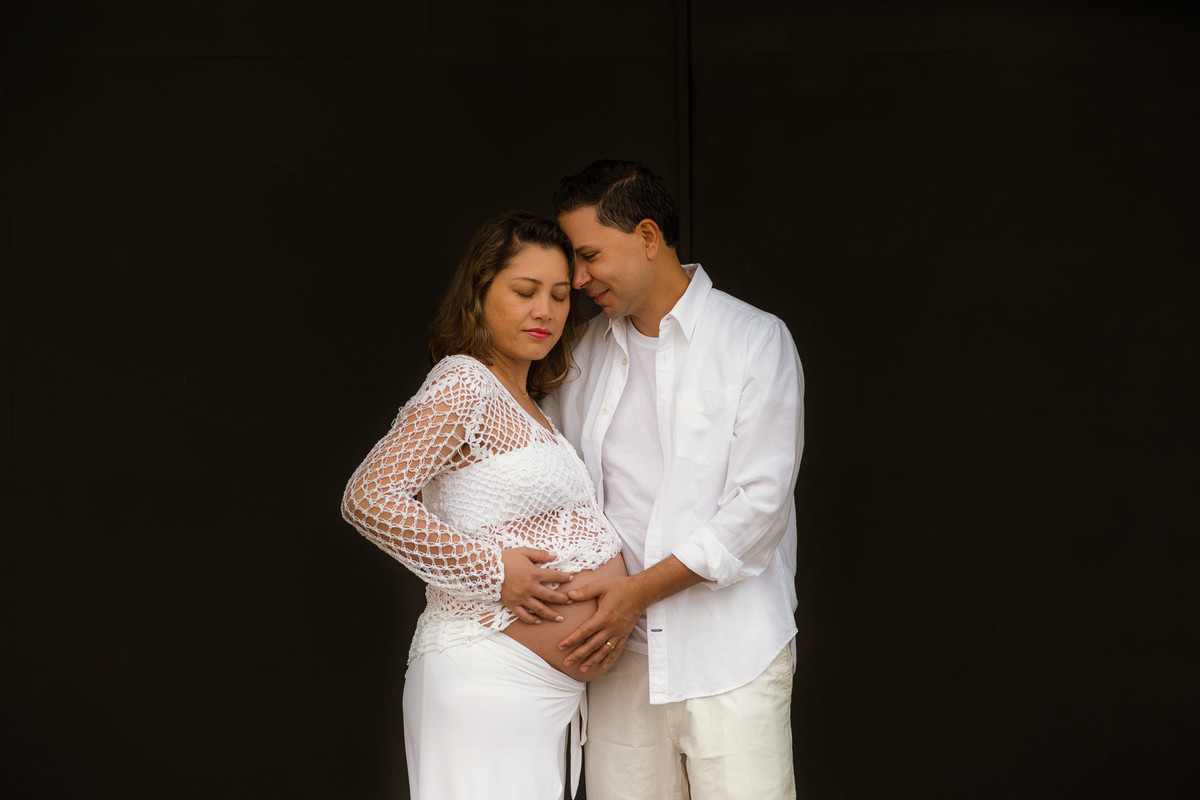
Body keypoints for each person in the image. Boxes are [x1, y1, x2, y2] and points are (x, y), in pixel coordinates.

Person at [539, 160, 805, 799]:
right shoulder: (580, 356)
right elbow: (555, 487)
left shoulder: (754, 340)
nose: (577, 279)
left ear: (649, 237)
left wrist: (635, 593)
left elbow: (758, 512)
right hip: (617, 663)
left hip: (732, 655)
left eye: (589, 256)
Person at [340, 211, 627, 800]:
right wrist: (493, 572)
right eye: (524, 292)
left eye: (557, 295)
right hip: (486, 677)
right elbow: (369, 496)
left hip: (534, 698)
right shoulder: (465, 383)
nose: (544, 311)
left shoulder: (530, 401)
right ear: (480, 292)